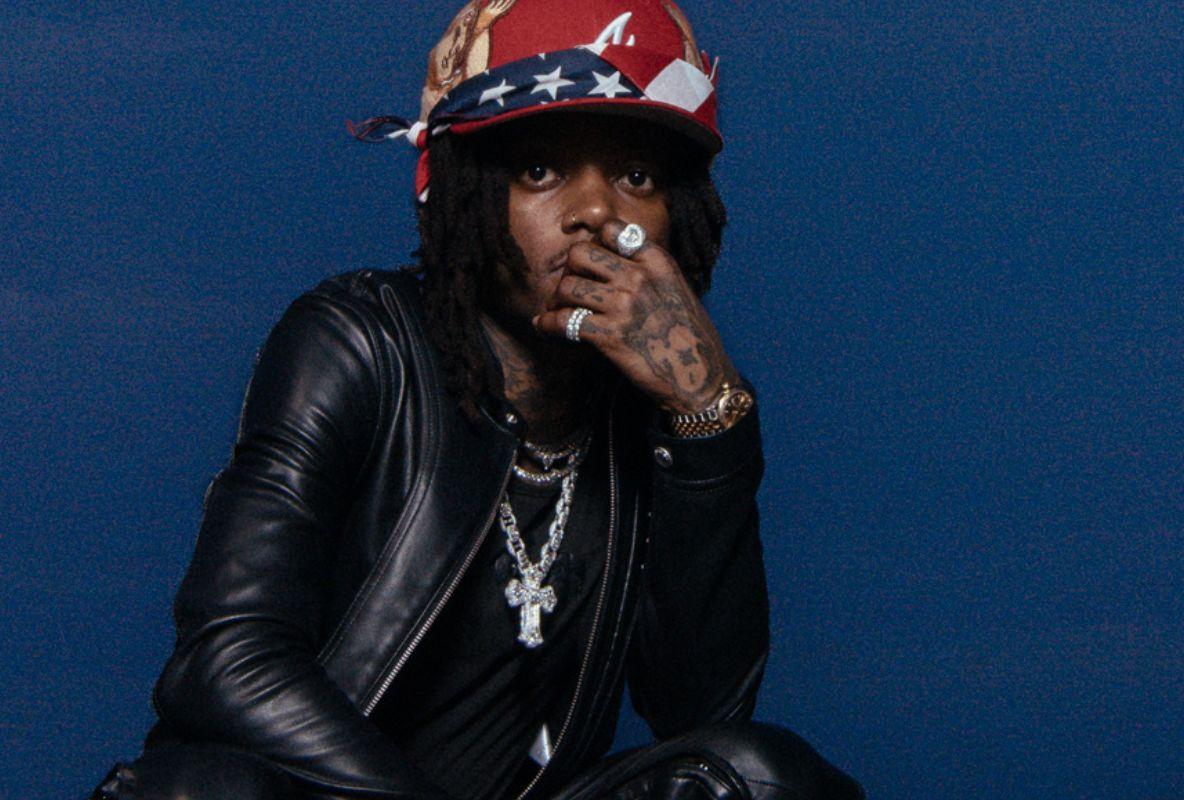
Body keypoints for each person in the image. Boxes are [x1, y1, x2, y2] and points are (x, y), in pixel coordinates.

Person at [92, 1, 863, 798]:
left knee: (764, 777)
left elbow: (700, 713)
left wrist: (708, 418)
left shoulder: (658, 422)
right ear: (465, 194)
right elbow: (224, 659)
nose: (596, 212)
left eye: (637, 176)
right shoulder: (356, 345)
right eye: (540, 172)